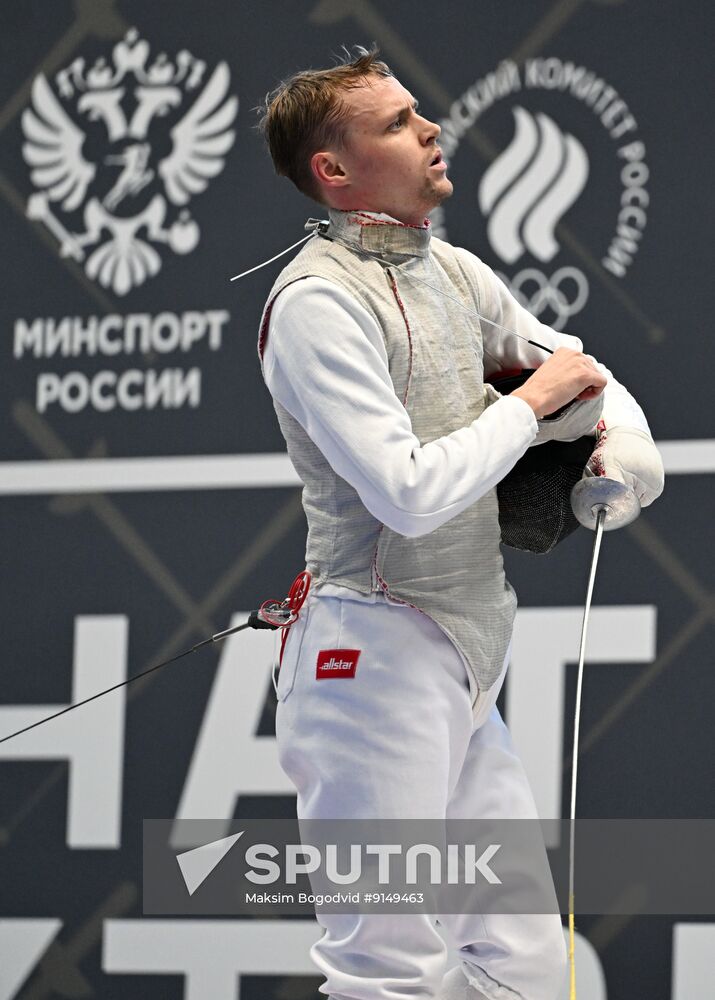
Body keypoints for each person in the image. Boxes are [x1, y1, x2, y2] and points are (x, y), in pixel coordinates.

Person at [255, 45, 664, 1000]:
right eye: (396, 122)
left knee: (526, 967)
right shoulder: (317, 304)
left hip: (461, 657)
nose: (429, 127)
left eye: (417, 111)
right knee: (385, 970)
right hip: (368, 661)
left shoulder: (451, 272)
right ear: (334, 169)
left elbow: (581, 373)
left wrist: (622, 443)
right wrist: (530, 407)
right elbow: (404, 491)